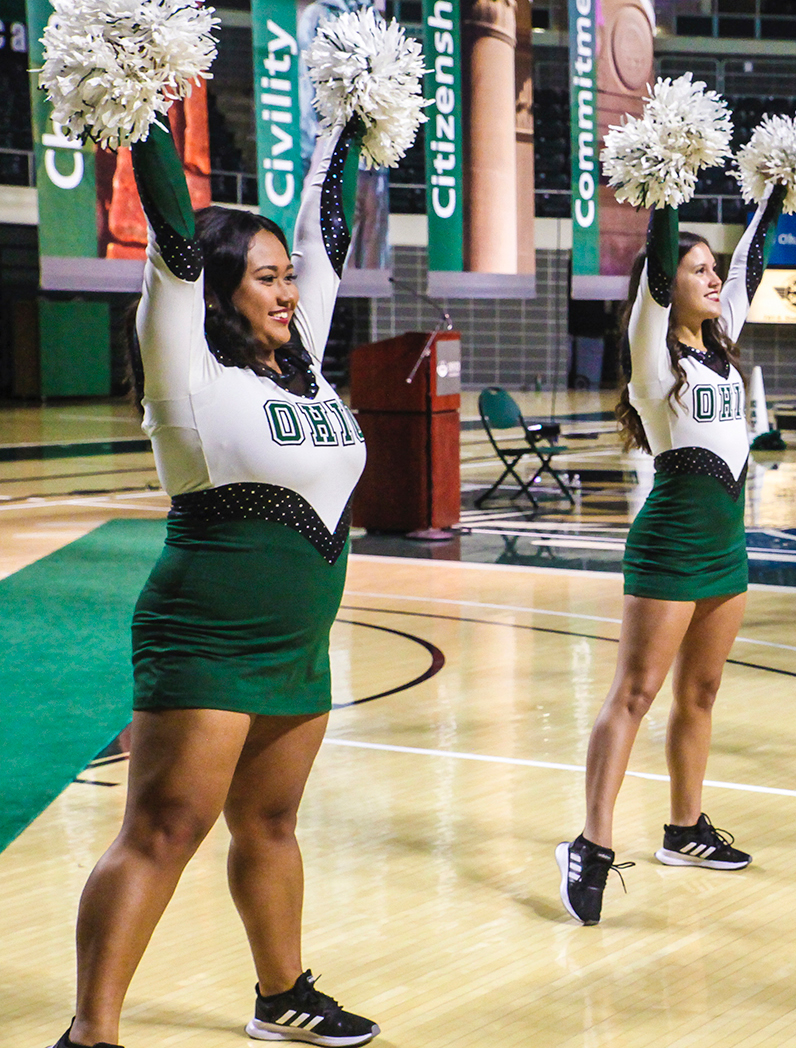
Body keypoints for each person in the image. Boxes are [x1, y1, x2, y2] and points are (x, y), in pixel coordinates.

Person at [52, 118, 379, 1048]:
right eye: (265, 276)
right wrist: (147, 96)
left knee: (269, 823)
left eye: (287, 276)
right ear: (220, 284)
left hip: (297, 642)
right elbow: (171, 237)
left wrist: (351, 114)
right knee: (164, 830)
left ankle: (283, 996)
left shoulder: (302, 362)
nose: (287, 289)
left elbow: (328, 231)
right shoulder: (185, 364)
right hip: (206, 634)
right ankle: (93, 1034)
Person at [557, 190, 782, 924]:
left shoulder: (721, 348)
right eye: (697, 271)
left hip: (726, 545)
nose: (713, 280)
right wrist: (666, 184)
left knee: (702, 694)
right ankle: (590, 844)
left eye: (713, 269)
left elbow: (754, 259)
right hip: (671, 543)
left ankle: (685, 829)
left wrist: (780, 184)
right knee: (634, 694)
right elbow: (656, 269)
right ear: (666, 284)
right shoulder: (652, 355)